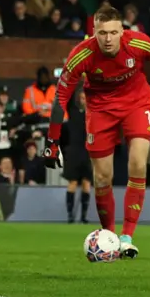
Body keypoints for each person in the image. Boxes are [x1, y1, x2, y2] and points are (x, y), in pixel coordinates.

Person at [43, 6, 150, 258]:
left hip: (137, 102)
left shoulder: (139, 43)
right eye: (102, 33)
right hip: (100, 109)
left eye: (112, 32)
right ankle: (109, 238)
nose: (108, 39)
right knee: (101, 178)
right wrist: (52, 141)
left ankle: (127, 237)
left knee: (138, 163)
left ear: (122, 30)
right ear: (93, 33)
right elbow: (60, 98)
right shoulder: (81, 55)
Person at [63, 90, 92, 224]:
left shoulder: (93, 114)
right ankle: (70, 215)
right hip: (74, 151)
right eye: (81, 98)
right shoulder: (73, 112)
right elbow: (67, 99)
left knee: (87, 183)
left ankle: (84, 216)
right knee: (73, 182)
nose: (82, 100)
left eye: (85, 98)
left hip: (87, 151)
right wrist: (74, 76)